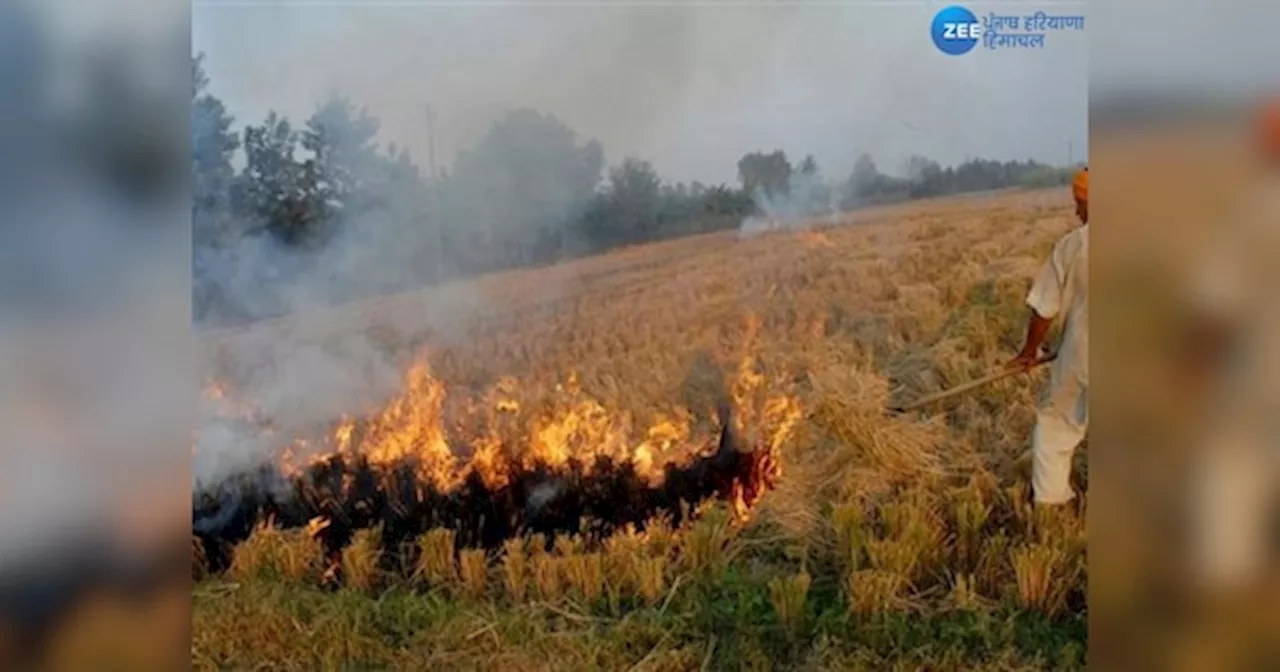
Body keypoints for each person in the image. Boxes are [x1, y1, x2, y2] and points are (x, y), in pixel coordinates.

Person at [1010, 167, 1089, 506]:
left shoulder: (1073, 246)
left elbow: (1044, 307)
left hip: (1081, 354)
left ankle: (1051, 502)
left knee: (1056, 424)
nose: (1076, 211)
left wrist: (1029, 352)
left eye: (1079, 203)